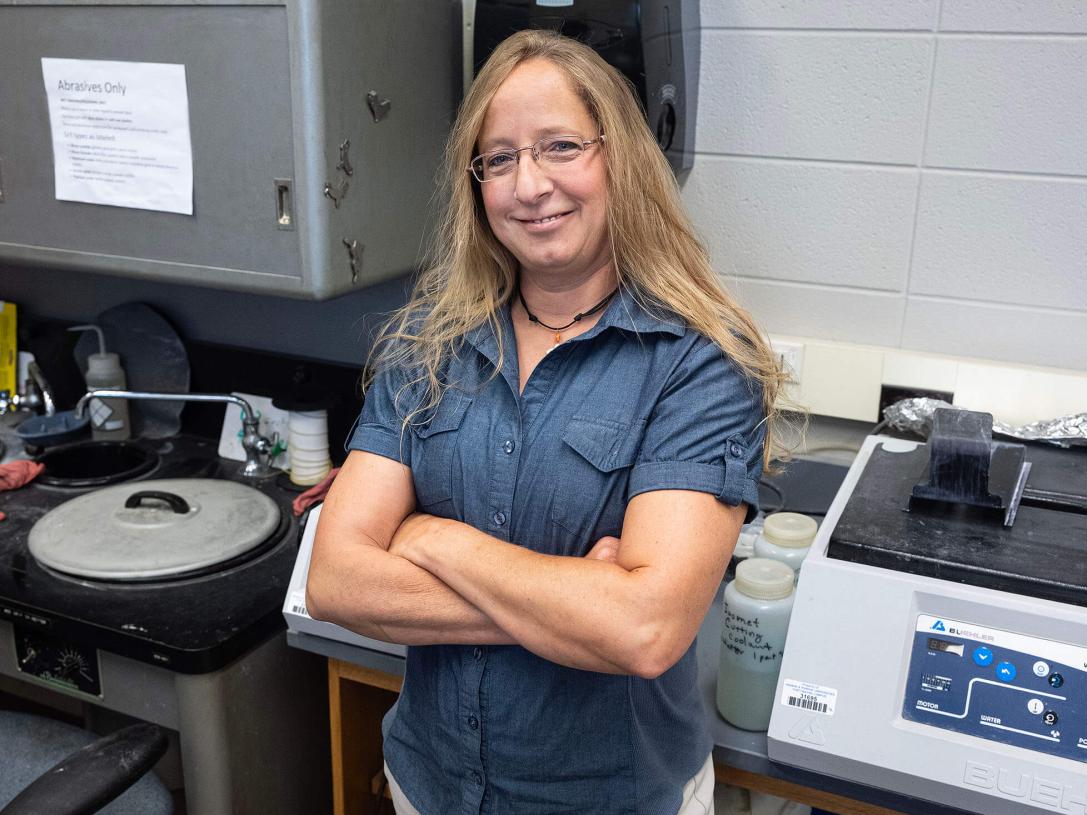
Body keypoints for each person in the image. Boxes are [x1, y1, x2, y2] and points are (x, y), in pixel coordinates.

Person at [306, 29, 784, 815]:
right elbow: (335, 580)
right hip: (428, 785)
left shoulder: (696, 363)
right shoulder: (428, 344)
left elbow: (643, 631)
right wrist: (573, 605)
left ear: (618, 159)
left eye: (560, 146)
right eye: (498, 158)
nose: (528, 186)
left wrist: (435, 539)